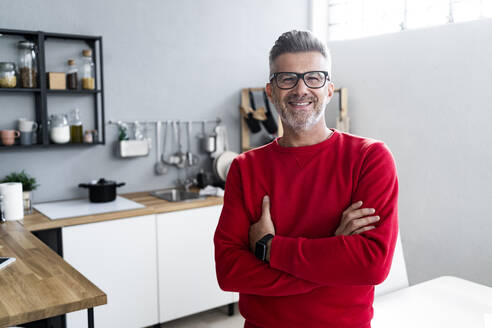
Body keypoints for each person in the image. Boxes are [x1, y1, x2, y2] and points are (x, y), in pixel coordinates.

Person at [214, 30, 398, 328]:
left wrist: (269, 248)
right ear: (270, 91)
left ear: (329, 90)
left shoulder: (369, 158)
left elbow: (372, 263)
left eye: (314, 77)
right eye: (287, 78)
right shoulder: (245, 168)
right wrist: (332, 262)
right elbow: (229, 271)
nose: (301, 89)